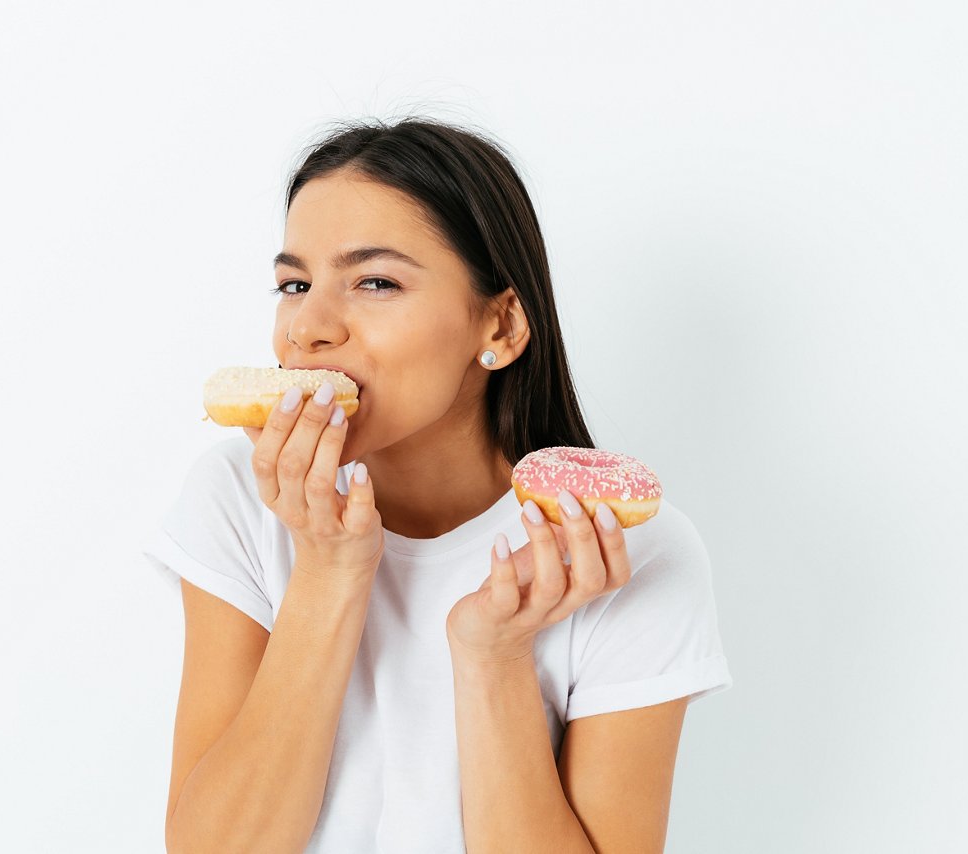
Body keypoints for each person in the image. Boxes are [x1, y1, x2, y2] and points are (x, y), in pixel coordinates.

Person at [143, 116, 733, 854]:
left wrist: (494, 657)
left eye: (375, 281)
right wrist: (327, 573)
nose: (308, 328)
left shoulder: (629, 550)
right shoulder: (237, 496)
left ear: (502, 326)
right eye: (294, 284)